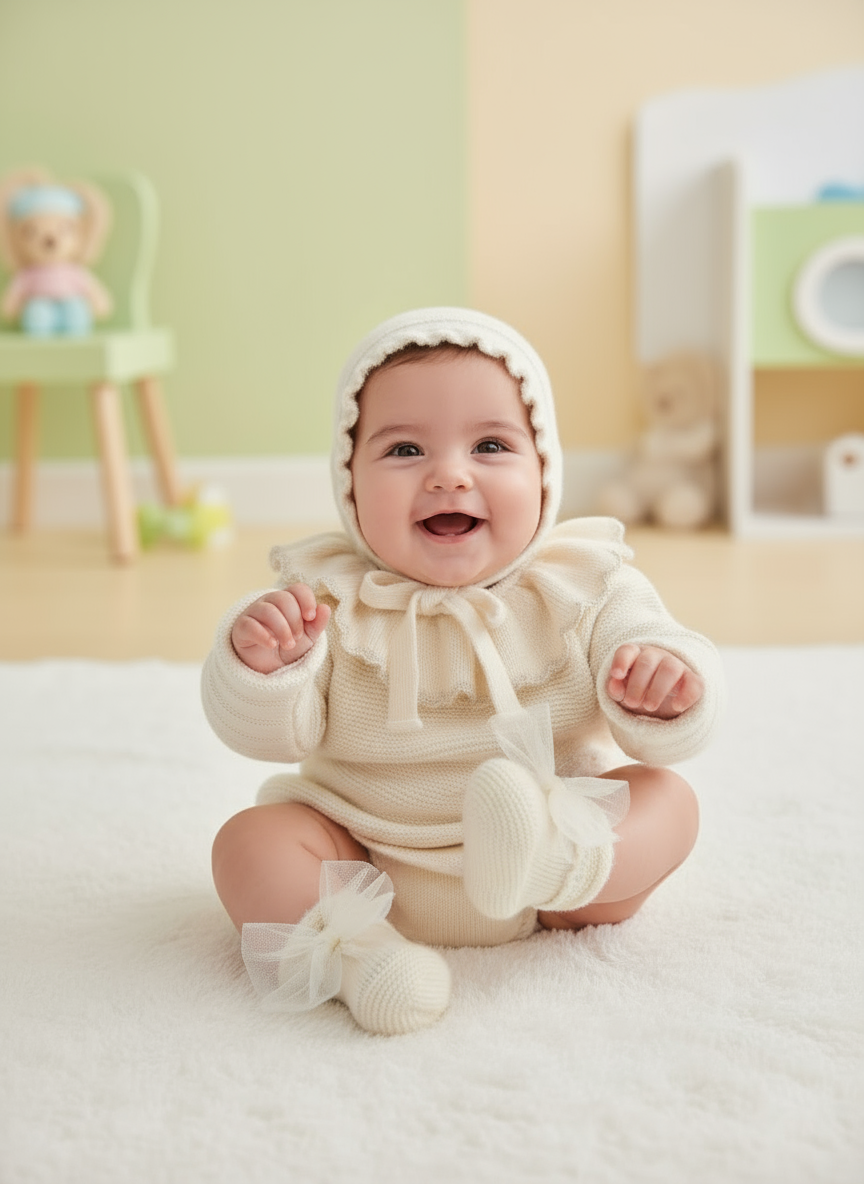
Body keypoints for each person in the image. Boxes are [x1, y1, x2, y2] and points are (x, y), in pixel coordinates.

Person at [202, 308, 723, 1036]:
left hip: (557, 872)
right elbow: (269, 736)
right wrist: (259, 669)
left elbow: (666, 684)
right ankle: (364, 962)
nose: (450, 475)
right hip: (364, 863)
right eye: (406, 449)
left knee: (667, 799)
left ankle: (551, 859)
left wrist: (666, 689)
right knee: (250, 841)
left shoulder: (583, 584)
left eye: (490, 445)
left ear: (545, 472)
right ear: (349, 485)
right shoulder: (324, 600)